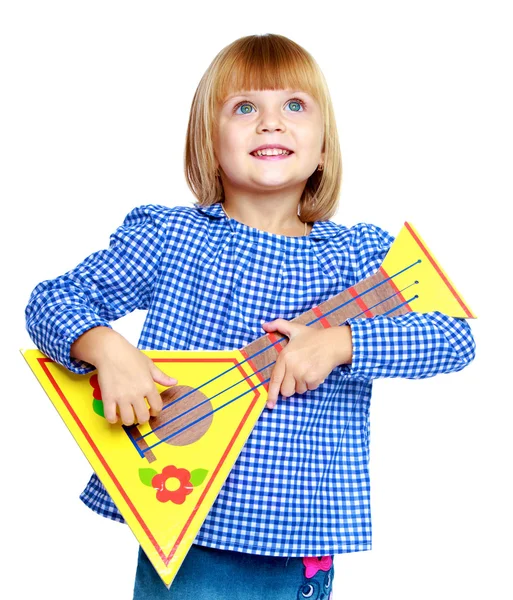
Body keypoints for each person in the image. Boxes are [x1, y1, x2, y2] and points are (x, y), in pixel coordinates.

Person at [25, 33, 476, 600]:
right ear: (209, 143)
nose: (271, 123)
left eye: (295, 106)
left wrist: (341, 343)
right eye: (244, 108)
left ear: (323, 150)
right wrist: (106, 348)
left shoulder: (359, 255)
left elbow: (454, 338)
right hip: (188, 538)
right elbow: (53, 299)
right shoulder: (172, 238)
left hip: (302, 550)